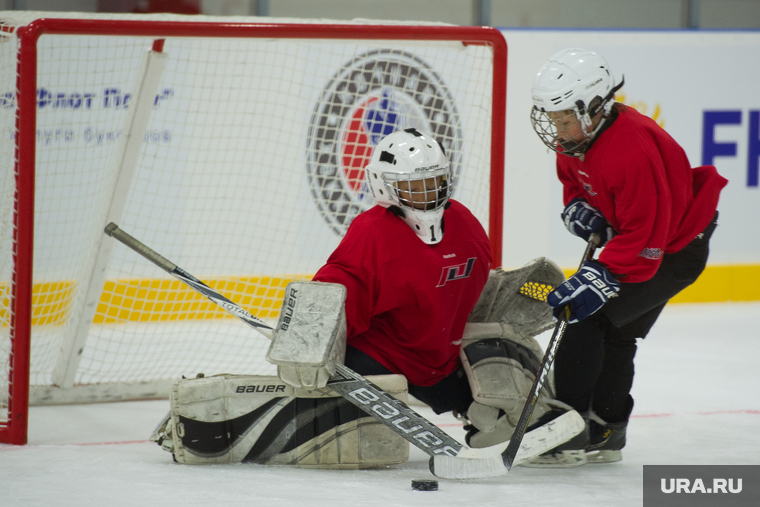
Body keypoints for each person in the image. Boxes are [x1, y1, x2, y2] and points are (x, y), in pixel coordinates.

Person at [524, 48, 728, 467]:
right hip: (650, 239)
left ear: (595, 108)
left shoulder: (633, 150)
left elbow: (646, 239)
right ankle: (606, 428)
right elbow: (577, 183)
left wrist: (601, 275)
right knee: (617, 331)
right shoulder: (577, 138)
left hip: (674, 249)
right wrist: (579, 208)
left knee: (588, 317)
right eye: (553, 117)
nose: (557, 130)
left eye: (564, 118)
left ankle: (568, 426)